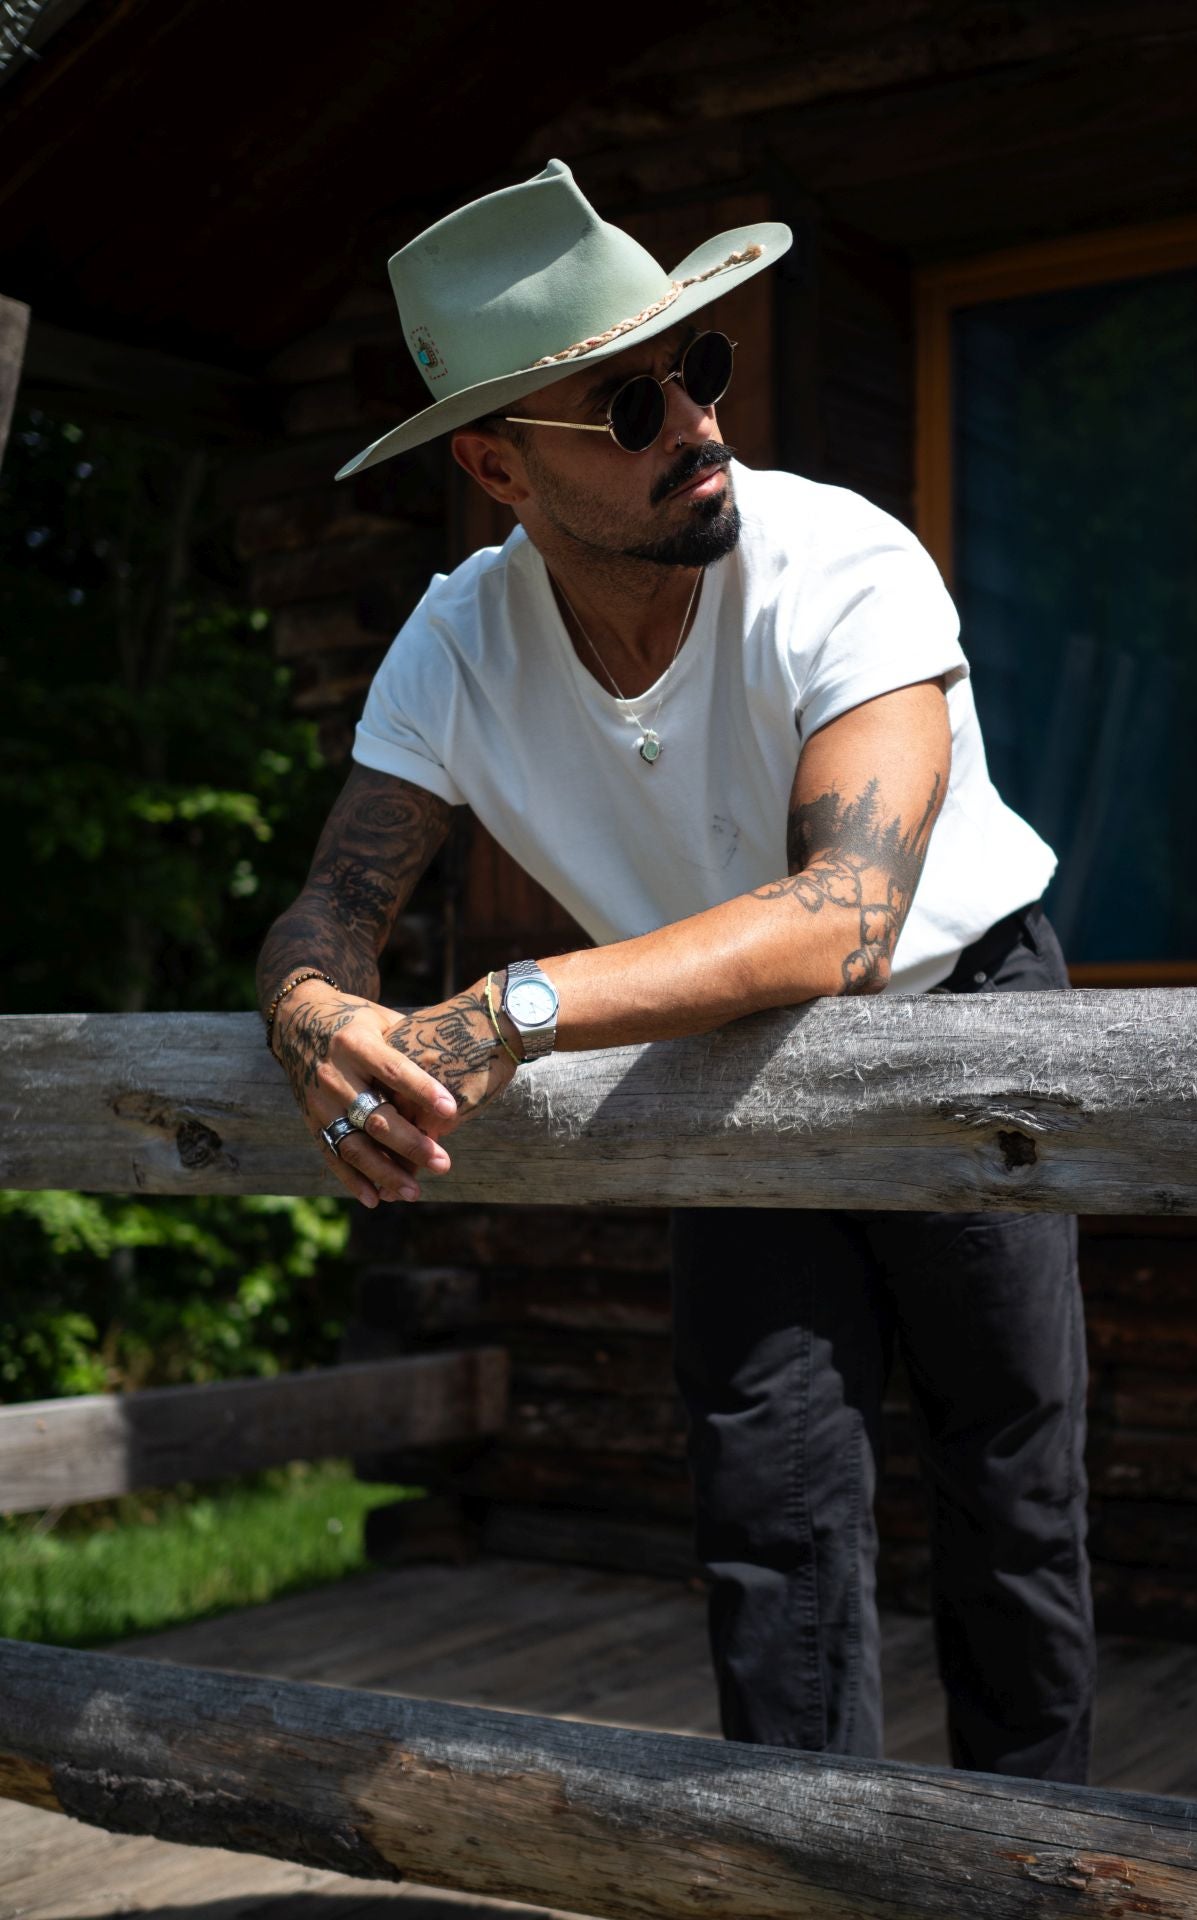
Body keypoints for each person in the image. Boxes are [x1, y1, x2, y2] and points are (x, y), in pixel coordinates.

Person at [258, 158, 1094, 1781]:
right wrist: (311, 1010)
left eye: (698, 369)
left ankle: (1036, 1869)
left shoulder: (843, 561)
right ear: (501, 470)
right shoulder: (455, 642)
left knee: (1009, 1485)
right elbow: (326, 908)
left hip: (958, 1020)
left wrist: (521, 1005)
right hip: (710, 1049)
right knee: (769, 1500)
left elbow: (845, 916)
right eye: (631, 404)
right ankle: (790, 1879)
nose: (700, 422)